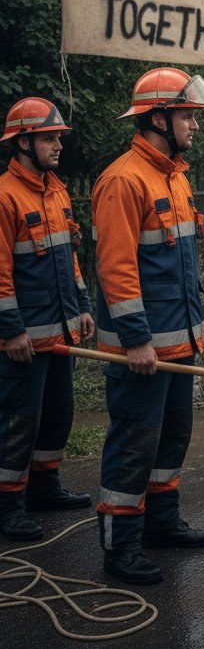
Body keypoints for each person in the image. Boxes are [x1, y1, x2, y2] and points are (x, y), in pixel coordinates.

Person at [93, 68, 204, 585]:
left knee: (172, 436)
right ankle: (120, 546)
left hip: (177, 342)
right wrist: (137, 340)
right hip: (141, 351)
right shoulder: (124, 180)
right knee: (134, 444)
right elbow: (117, 269)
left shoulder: (175, 176)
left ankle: (161, 523)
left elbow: (183, 265)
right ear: (159, 119)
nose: (195, 124)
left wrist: (195, 326)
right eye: (187, 116)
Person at [0, 99, 93, 541]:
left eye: (58, 137)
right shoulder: (5, 196)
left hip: (59, 334)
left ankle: (44, 487)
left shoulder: (55, 191)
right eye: (49, 138)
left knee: (58, 414)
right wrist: (11, 330)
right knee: (20, 422)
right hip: (23, 340)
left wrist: (83, 305)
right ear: (23, 143)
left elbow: (69, 259)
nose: (58, 145)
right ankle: (8, 505)